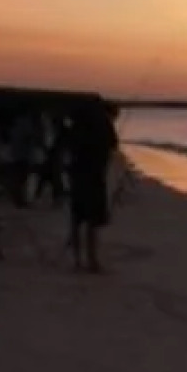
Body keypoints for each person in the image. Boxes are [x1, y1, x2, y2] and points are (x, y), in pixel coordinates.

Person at [69, 102, 118, 273]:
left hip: (77, 177)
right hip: (94, 178)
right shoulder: (104, 125)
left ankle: (77, 260)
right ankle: (92, 261)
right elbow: (113, 146)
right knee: (92, 221)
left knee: (77, 220)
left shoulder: (78, 127)